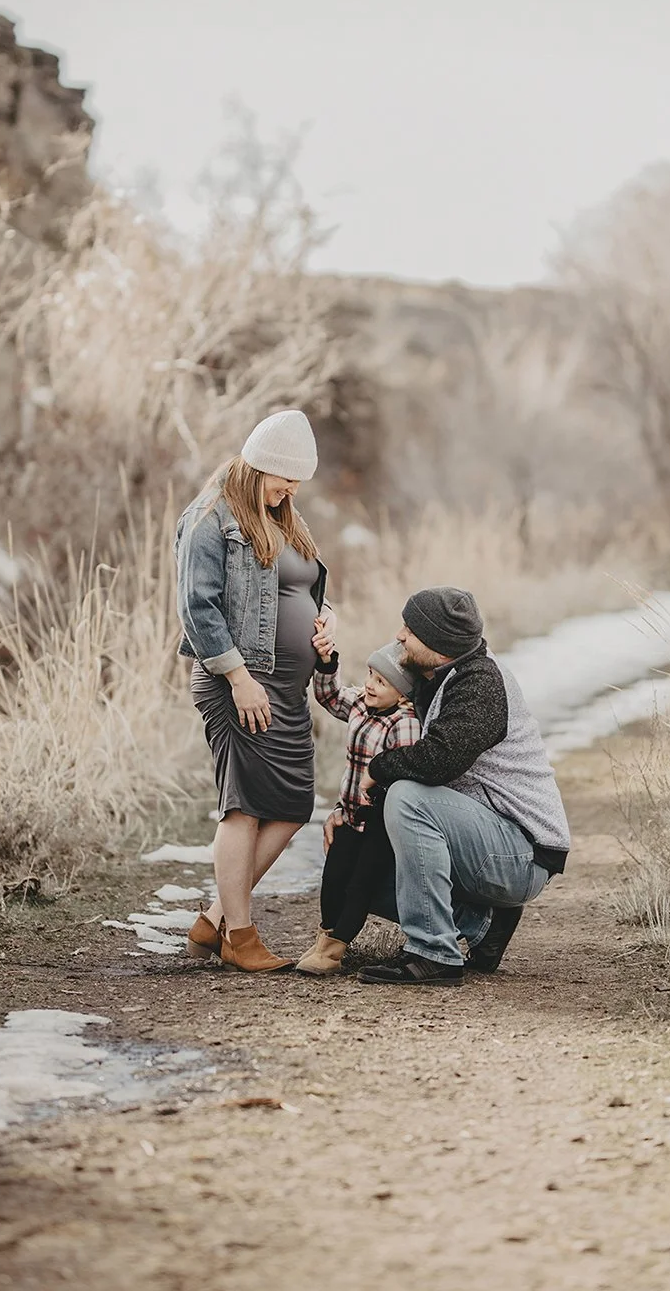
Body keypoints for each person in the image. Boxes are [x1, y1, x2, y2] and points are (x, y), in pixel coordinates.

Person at [344, 586, 570, 988]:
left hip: (521, 852)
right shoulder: (436, 676)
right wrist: (346, 816)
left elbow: (436, 762)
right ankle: (483, 925)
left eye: (409, 630)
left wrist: (377, 769)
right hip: (484, 840)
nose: (399, 635)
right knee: (358, 861)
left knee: (407, 798)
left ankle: (434, 954)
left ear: (438, 643)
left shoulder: (481, 684)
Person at [174, 409, 335, 973]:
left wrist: (325, 620)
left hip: (286, 690)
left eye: (297, 481)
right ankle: (239, 934)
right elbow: (197, 609)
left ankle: (215, 917)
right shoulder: (211, 518)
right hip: (237, 684)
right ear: (258, 464)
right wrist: (238, 678)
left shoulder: (285, 515)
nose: (292, 489)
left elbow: (305, 585)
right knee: (242, 807)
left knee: (292, 805)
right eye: (285, 477)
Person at [295, 638, 421, 976]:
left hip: (379, 825)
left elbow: (405, 772)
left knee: (360, 884)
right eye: (369, 674)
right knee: (334, 874)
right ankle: (325, 937)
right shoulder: (361, 704)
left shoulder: (404, 723)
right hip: (350, 817)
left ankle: (335, 950)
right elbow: (329, 695)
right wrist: (326, 663)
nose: (369, 684)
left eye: (381, 681)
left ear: (404, 694)